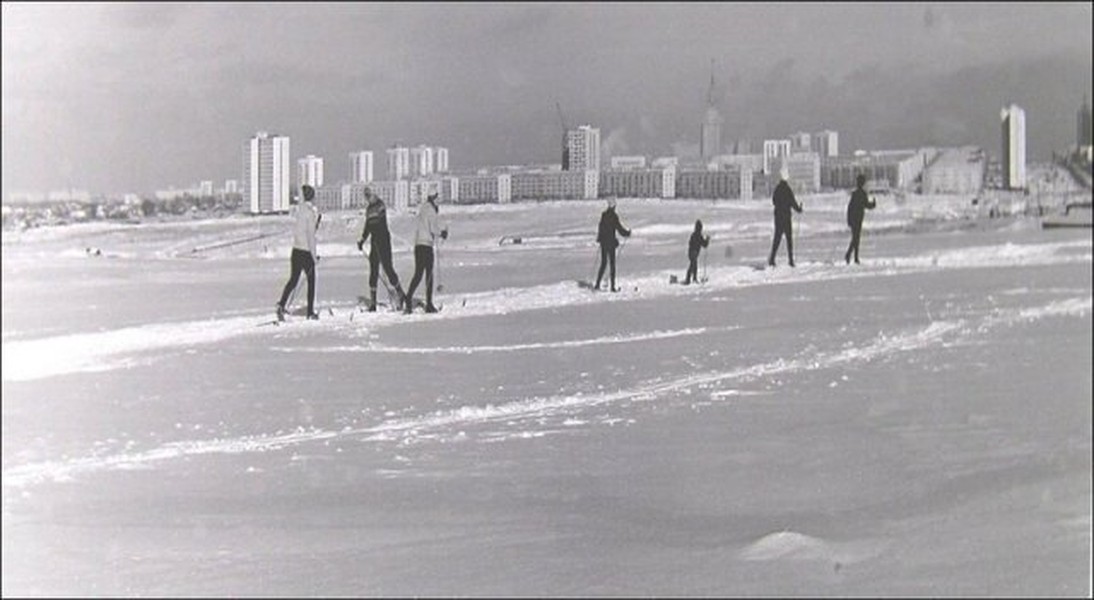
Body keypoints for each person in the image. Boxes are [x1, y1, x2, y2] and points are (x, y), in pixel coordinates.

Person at [357, 187, 407, 311]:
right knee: (373, 271)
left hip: (383, 241)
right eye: (366, 196)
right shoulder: (368, 210)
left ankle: (401, 294)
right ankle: (373, 303)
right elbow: (368, 226)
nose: (368, 198)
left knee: (388, 269)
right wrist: (362, 240)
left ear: (374, 194)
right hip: (374, 242)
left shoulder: (380, 205)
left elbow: (380, 223)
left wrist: (376, 237)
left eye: (369, 195)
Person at [276, 184, 321, 321]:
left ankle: (281, 305)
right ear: (311, 197)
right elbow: (311, 237)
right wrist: (314, 257)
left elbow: (302, 232)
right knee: (311, 282)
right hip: (306, 252)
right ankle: (310, 312)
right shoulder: (310, 213)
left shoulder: (299, 211)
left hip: (296, 251)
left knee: (293, 281)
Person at [403, 192, 448, 314]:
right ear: (433, 199)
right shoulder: (431, 211)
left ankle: (408, 299)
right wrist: (442, 233)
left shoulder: (423, 209)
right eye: (437, 198)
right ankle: (428, 304)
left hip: (418, 245)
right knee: (429, 275)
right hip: (426, 245)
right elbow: (433, 228)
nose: (438, 201)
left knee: (418, 274)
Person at [767, 166, 803, 267]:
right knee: (789, 240)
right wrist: (799, 209)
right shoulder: (788, 190)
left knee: (777, 239)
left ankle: (772, 259)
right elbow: (792, 202)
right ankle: (791, 260)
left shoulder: (777, 189)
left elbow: (774, 201)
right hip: (786, 218)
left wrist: (779, 207)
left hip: (778, 218)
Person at [595, 198, 632, 292]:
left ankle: (597, 284)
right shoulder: (614, 216)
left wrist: (599, 239)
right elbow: (619, 228)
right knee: (612, 265)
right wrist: (627, 233)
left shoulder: (603, 215)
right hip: (611, 243)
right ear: (614, 206)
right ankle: (612, 287)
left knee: (603, 264)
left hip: (604, 243)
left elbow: (601, 227)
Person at [844, 174, 877, 265]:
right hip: (858, 220)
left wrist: (849, 220)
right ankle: (851, 256)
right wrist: (873, 204)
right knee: (856, 239)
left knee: (855, 238)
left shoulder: (855, 194)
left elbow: (849, 208)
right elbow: (867, 205)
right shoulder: (862, 194)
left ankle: (853, 257)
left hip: (854, 219)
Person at [684, 219, 710, 285]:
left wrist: (707, 240)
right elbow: (692, 244)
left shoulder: (697, 235)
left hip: (693, 253)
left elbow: (704, 245)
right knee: (693, 265)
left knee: (694, 265)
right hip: (692, 253)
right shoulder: (695, 235)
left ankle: (692, 279)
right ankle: (688, 279)